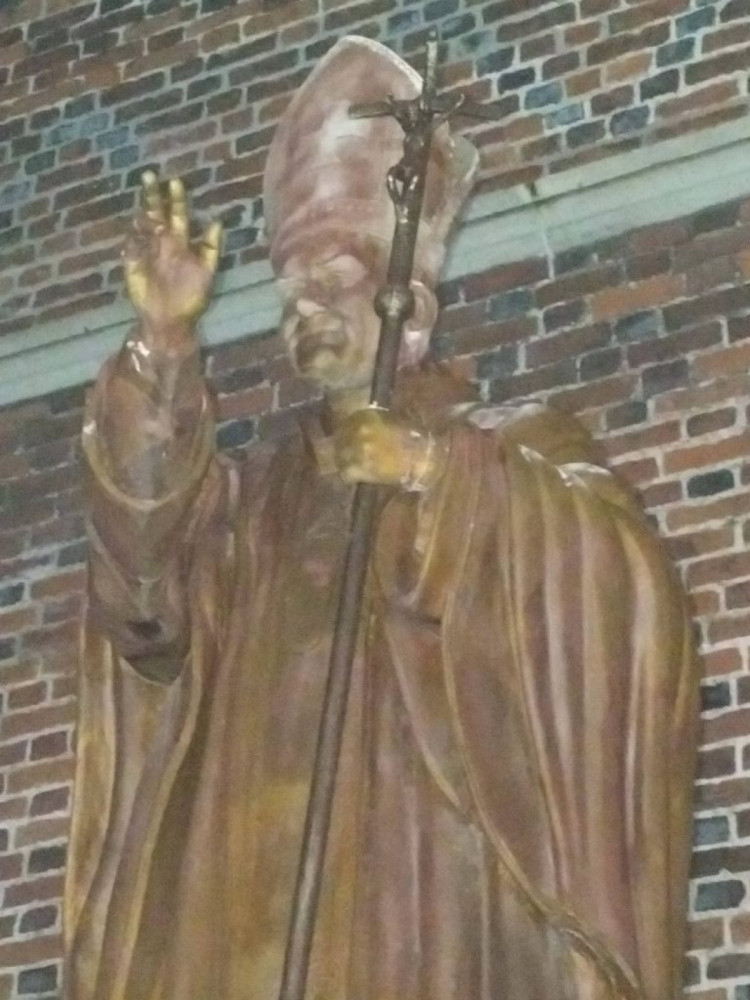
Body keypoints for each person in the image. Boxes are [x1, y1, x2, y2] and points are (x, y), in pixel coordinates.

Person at [63, 36, 698, 1000]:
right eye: (289, 291)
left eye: (331, 279)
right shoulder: (249, 509)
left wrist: (439, 474)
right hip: (242, 892)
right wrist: (163, 344)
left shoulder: (516, 446)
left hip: (423, 888)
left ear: (411, 306)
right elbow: (141, 601)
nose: (303, 309)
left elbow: (624, 606)